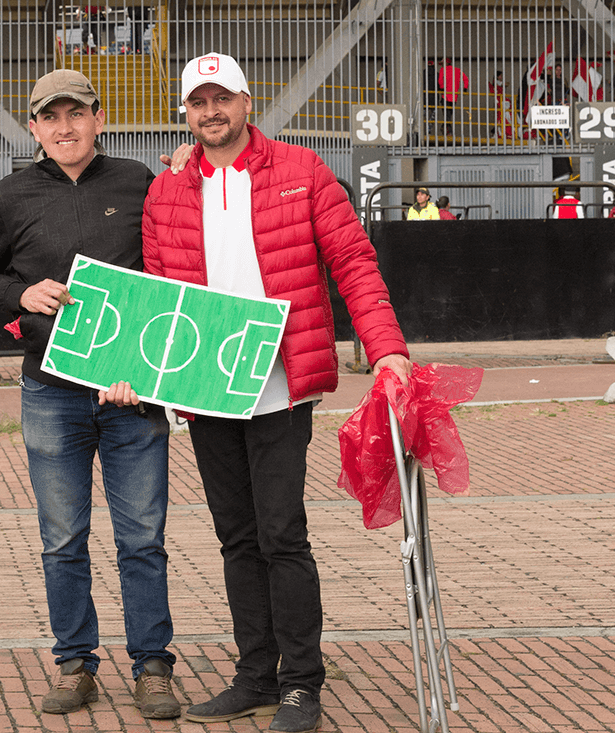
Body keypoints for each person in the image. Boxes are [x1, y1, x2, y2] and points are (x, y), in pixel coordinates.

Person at [107, 53, 410, 732]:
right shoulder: (169, 190)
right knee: (236, 537)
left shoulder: (301, 171)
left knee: (281, 534)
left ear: (248, 102)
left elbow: (353, 261)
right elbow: (159, 298)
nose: (210, 112)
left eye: (222, 98)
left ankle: (301, 682)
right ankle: (254, 675)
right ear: (185, 112)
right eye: (197, 102)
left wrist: (386, 349)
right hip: (209, 385)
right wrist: (139, 370)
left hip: (281, 383)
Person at [0, 69, 179, 719]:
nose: (64, 127)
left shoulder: (140, 182)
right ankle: (74, 663)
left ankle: (152, 667)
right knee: (62, 538)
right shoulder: (9, 195)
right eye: (49, 117)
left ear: (99, 118)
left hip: (132, 393)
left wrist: (189, 169)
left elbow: (175, 265)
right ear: (33, 128)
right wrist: (19, 295)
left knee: (141, 538)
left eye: (75, 113)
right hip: (50, 391)